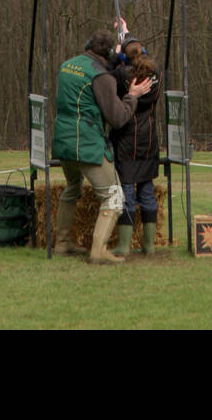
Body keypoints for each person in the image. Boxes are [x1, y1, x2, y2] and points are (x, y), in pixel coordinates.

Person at [51, 28, 152, 264]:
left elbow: (99, 66)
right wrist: (133, 95)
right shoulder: (101, 77)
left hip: (63, 141)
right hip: (86, 143)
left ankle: (62, 242)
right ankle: (99, 250)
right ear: (108, 53)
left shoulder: (67, 65)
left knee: (72, 188)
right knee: (114, 197)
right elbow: (117, 118)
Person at [110, 34, 162, 256]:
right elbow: (142, 56)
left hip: (126, 140)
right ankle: (149, 246)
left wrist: (118, 51)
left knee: (128, 196)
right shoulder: (155, 72)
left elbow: (110, 66)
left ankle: (124, 246)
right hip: (149, 139)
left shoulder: (121, 75)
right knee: (147, 192)